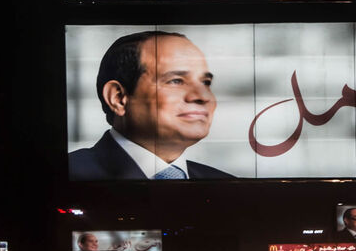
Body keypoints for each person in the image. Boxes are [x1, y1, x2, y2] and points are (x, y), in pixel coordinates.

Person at [69, 31, 234, 180]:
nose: (203, 96)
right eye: (176, 81)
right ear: (118, 98)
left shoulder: (228, 186)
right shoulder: (63, 176)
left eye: (206, 82)